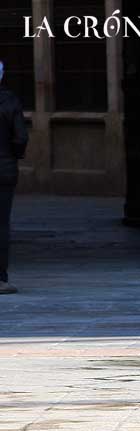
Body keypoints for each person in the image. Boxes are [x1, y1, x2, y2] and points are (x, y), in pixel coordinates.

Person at [0, 61, 29, 295]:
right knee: (1, 223)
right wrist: (12, 156)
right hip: (4, 169)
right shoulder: (9, 101)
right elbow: (20, 138)